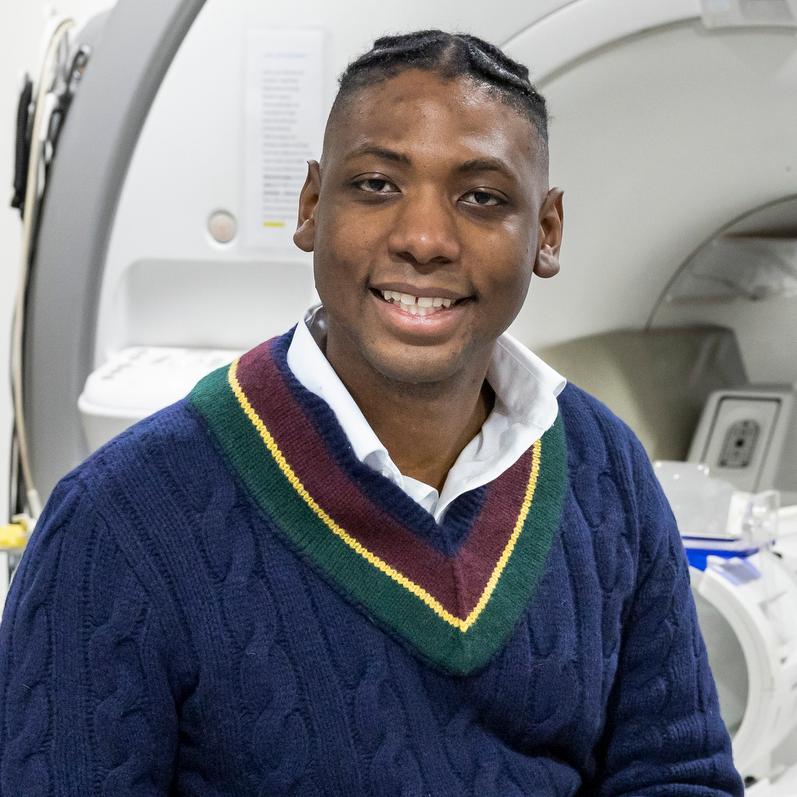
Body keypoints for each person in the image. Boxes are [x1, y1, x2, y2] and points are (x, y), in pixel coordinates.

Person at [0, 30, 743, 796]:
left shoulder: (604, 467)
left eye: (481, 197)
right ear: (311, 207)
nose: (423, 239)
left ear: (545, 234)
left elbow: (678, 776)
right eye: (377, 185)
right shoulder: (117, 523)